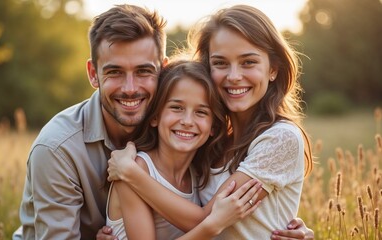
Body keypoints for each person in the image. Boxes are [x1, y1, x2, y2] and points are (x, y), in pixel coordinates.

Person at [15, 4, 266, 240]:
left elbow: (230, 209)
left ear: (163, 71)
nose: (130, 89)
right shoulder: (57, 149)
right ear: (93, 74)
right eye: (115, 72)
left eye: (144, 71)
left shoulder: (189, 144)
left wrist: (283, 230)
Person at [106, 4, 314, 240]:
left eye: (248, 62)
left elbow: (208, 219)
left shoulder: (280, 138)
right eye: (221, 63)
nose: (234, 76)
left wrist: (131, 174)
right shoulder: (210, 142)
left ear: (273, 69)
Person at [106, 59, 262, 240]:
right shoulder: (133, 171)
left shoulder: (198, 176)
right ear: (155, 117)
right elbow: (210, 223)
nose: (187, 121)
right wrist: (213, 226)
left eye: (201, 112)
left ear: (213, 127)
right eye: (177, 108)